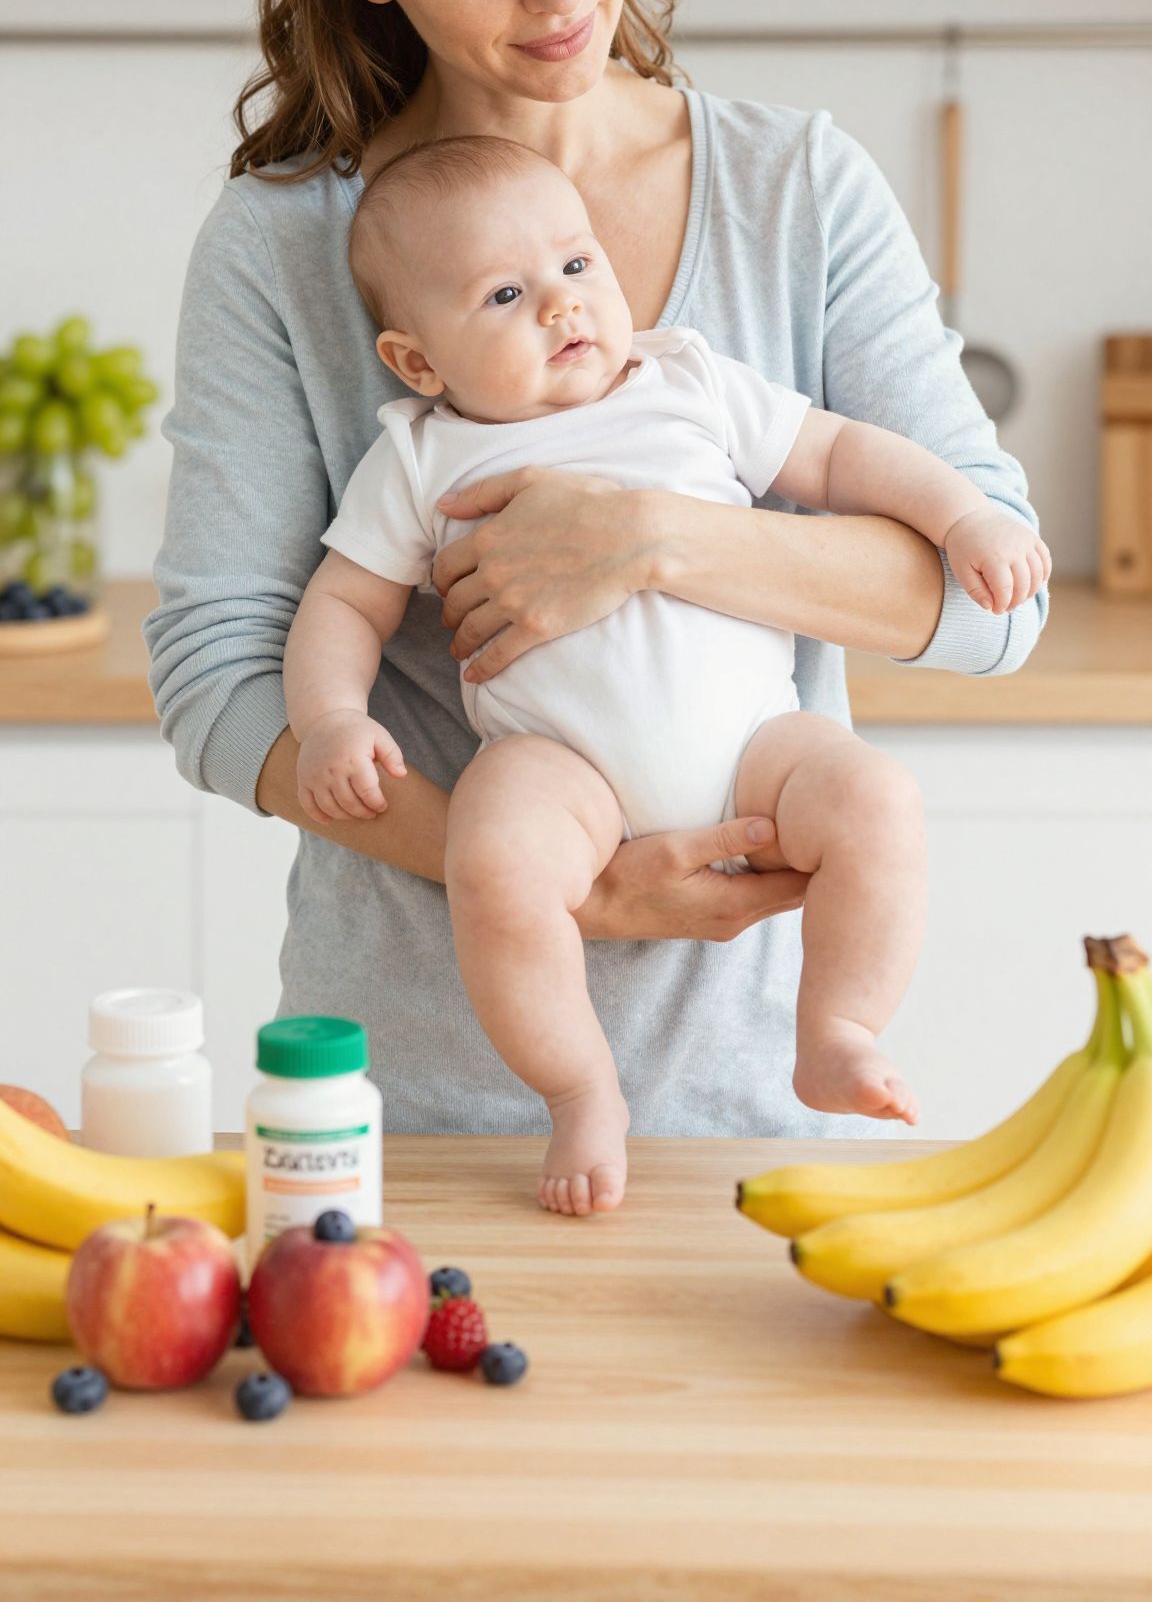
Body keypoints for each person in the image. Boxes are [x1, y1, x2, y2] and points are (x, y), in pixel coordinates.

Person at [143, 0, 1049, 1156]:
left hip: (762, 1100)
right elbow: (221, 685)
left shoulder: (793, 190)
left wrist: (652, 539)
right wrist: (562, 880)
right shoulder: (289, 248)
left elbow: (990, 600)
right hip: (420, 1104)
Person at [281, 134, 1050, 1214]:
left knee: (877, 798)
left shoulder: (685, 376)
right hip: (561, 768)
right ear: (417, 359)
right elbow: (345, 601)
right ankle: (581, 1086)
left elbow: (840, 457)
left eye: (577, 265)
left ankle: (835, 1029)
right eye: (506, 293)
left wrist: (963, 515)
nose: (562, 305)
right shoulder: (420, 453)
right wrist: (327, 719)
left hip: (753, 747)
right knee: (493, 854)